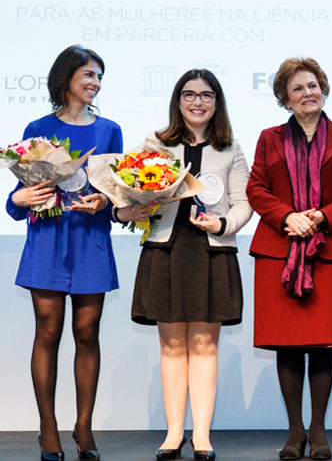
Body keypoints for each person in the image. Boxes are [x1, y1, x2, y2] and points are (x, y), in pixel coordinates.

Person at [117, 69, 252, 461]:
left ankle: (203, 436)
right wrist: (132, 208)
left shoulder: (230, 148)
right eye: (189, 94)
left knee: (206, 344)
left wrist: (224, 223)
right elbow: (126, 199)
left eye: (207, 95)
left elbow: (244, 201)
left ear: (217, 102)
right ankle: (174, 433)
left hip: (212, 250)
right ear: (177, 101)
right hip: (166, 249)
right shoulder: (154, 144)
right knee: (173, 345)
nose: (198, 102)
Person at [247, 57, 332, 461]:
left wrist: (322, 216)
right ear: (286, 98)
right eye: (298, 88)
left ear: (324, 89)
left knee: (323, 345)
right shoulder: (269, 138)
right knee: (287, 344)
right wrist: (287, 216)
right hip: (280, 249)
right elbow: (256, 188)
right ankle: (294, 431)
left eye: (314, 85)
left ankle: (318, 430)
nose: (308, 93)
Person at [6, 44, 121, 461]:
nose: (95, 83)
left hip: (90, 240)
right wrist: (20, 198)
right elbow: (16, 197)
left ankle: (84, 426)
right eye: (89, 75)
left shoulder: (110, 129)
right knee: (48, 334)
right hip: (49, 241)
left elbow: (117, 192)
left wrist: (104, 203)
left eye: (99, 77)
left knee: (87, 334)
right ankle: (48, 428)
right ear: (67, 78)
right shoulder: (37, 127)